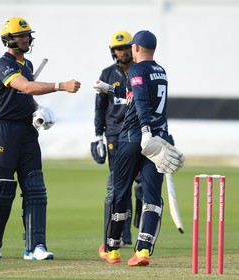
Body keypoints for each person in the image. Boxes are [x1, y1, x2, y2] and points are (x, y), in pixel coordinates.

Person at [0, 17, 81, 260]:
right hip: (3, 129)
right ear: (8, 40)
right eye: (20, 36)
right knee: (4, 185)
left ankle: (35, 246)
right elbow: (25, 87)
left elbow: (26, 95)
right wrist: (61, 85)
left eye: (27, 35)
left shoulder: (28, 63)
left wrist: (38, 109)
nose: (25, 39)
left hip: (26, 130)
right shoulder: (2, 65)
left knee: (35, 187)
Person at [93, 30, 184, 266]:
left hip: (134, 137)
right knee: (152, 196)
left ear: (136, 49)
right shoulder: (160, 71)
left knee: (120, 192)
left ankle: (112, 249)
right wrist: (109, 88)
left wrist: (144, 130)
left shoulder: (135, 69)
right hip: (159, 139)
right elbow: (134, 94)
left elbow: (141, 99)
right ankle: (143, 251)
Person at [91, 30, 142, 248]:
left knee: (141, 183)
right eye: (118, 48)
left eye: (126, 47)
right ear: (113, 51)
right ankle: (121, 236)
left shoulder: (140, 71)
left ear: (133, 47)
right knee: (119, 184)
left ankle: (140, 222)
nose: (123, 52)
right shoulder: (107, 73)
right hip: (114, 134)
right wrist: (97, 136)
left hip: (139, 132)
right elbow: (100, 108)